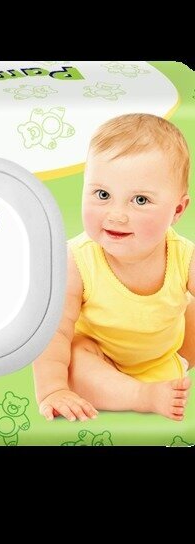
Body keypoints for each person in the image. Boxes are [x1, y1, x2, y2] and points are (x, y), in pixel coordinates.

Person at [34, 113, 195, 422]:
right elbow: (53, 331)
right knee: (75, 358)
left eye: (140, 200)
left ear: (177, 210)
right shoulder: (76, 261)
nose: (117, 215)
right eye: (103, 195)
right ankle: (141, 395)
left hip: (166, 355)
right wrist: (53, 389)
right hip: (100, 361)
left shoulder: (184, 255)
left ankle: (175, 369)